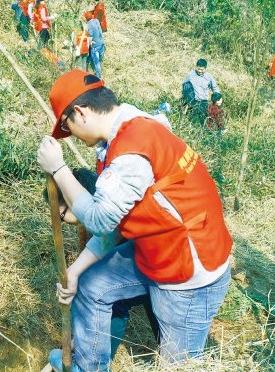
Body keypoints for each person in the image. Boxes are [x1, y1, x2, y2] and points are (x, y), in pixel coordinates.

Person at [37, 70, 232, 371]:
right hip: (158, 249)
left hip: (189, 274)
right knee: (92, 286)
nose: (71, 134)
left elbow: (101, 219)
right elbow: (115, 226)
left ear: (80, 113)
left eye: (67, 127)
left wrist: (59, 169)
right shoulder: (128, 130)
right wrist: (74, 272)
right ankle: (86, 367)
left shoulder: (131, 150)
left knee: (177, 365)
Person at [44, 168, 160, 359]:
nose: (61, 222)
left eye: (61, 215)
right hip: (149, 267)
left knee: (119, 302)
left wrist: (82, 339)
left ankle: (95, 360)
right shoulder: (91, 222)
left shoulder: (112, 215)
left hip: (157, 263)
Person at [182, 58, 221, 123]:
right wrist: (185, 100)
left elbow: (215, 88)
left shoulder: (209, 77)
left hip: (203, 103)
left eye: (202, 69)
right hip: (193, 102)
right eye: (198, 69)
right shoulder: (190, 75)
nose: (200, 71)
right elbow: (184, 86)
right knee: (192, 121)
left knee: (203, 121)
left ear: (205, 68)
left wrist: (218, 98)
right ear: (196, 67)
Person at [86, 12, 105, 78]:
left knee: (97, 63)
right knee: (100, 58)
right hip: (102, 43)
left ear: (86, 19)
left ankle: (99, 76)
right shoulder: (96, 20)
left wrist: (90, 45)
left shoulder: (89, 25)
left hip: (96, 46)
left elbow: (90, 36)